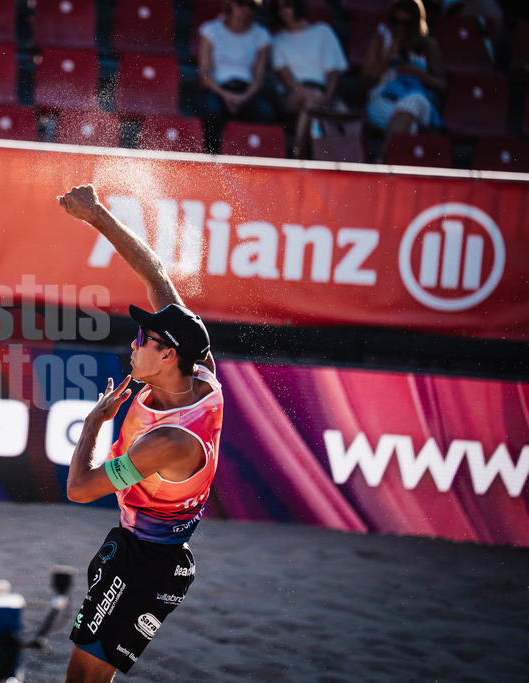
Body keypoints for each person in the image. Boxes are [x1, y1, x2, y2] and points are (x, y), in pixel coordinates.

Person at [57, 184, 224, 681]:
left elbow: (79, 489)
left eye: (144, 339)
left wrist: (92, 424)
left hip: (147, 564)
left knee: (82, 678)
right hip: (146, 547)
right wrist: (97, 216)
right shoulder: (202, 371)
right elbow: (155, 275)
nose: (133, 344)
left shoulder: (166, 443)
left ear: (169, 355)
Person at [362, 0, 447, 162]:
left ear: (416, 23)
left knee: (415, 98)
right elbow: (366, 83)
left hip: (420, 104)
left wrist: (419, 74)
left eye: (406, 23)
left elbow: (442, 86)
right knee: (411, 127)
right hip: (382, 101)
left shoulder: (428, 46)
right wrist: (387, 57)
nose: (400, 28)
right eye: (396, 22)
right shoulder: (381, 41)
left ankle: (381, 159)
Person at [267, 0, 349, 159]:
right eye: (278, 7)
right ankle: (297, 155)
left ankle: (344, 162)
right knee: (311, 100)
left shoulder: (323, 31)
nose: (283, 10)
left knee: (343, 111)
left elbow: (332, 74)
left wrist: (327, 96)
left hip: (324, 91)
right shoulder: (278, 40)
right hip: (291, 94)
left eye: (287, 5)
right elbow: (287, 79)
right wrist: (313, 95)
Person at [194, 0, 277, 154]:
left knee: (265, 114)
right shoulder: (210, 30)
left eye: (251, 5)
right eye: (241, 3)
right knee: (211, 110)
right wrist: (225, 95)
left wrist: (243, 97)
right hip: (216, 90)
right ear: (230, 4)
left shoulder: (261, 35)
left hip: (246, 93)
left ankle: (251, 163)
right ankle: (211, 160)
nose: (245, 8)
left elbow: (259, 77)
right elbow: (205, 72)